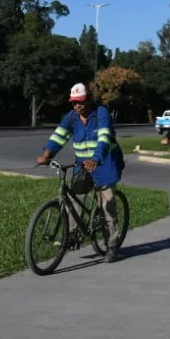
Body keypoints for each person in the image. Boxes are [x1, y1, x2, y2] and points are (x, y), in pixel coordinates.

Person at [36, 82, 124, 262]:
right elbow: (59, 135)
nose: (77, 106)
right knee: (74, 197)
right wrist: (46, 153)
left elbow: (104, 138)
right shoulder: (71, 117)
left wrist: (96, 158)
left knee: (107, 204)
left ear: (89, 99)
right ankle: (72, 235)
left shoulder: (101, 114)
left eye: (81, 102)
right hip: (83, 163)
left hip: (105, 161)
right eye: (74, 102)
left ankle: (112, 244)